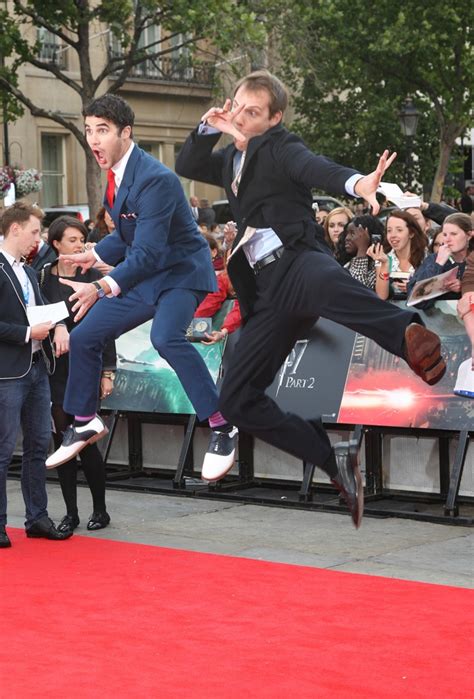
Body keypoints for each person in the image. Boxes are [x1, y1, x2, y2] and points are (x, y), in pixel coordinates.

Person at [175, 69, 445, 528]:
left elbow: (317, 167)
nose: (241, 115)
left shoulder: (280, 147)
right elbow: (187, 164)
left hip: (298, 259)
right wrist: (206, 127)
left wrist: (360, 184)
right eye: (238, 105)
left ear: (273, 119)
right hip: (268, 291)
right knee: (237, 401)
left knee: (326, 283)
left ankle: (409, 337)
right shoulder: (229, 160)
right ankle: (333, 458)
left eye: (254, 112)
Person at [45, 94, 237, 477]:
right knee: (85, 338)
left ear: (126, 132)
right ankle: (84, 420)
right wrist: (94, 254)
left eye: (102, 130)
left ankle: (221, 424)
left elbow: (147, 252)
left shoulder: (156, 179)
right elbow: (129, 236)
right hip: (149, 275)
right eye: (88, 131)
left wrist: (101, 287)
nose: (93, 140)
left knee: (166, 338)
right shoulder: (115, 177)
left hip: (181, 274)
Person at [0, 201, 72, 547]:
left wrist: (58, 325)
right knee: (2, 450)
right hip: (8, 374)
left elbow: (43, 308)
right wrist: (29, 334)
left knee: (38, 446)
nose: (37, 239)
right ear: (15, 229)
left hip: (37, 371)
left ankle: (37, 518)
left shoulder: (28, 272)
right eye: (32, 232)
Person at [40, 216, 116, 534]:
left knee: (86, 441)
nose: (78, 244)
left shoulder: (93, 275)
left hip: (88, 366)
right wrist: (56, 326)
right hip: (56, 369)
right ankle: (70, 512)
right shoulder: (42, 276)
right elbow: (36, 314)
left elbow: (109, 324)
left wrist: (108, 372)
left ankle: (100, 510)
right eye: (71, 239)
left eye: (81, 239)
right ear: (56, 243)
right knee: (63, 442)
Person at [407, 213, 473, 309]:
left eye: (454, 234)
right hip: (438, 319)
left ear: (469, 235)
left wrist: (464, 287)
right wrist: (438, 264)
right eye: (445, 235)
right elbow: (416, 300)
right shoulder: (433, 259)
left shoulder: (472, 260)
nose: (447, 239)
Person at [368, 209, 427, 300]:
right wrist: (385, 264)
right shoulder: (383, 257)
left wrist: (414, 288)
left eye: (399, 230)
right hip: (394, 311)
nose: (393, 235)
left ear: (411, 233)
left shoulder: (426, 257)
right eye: (389, 230)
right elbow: (381, 296)